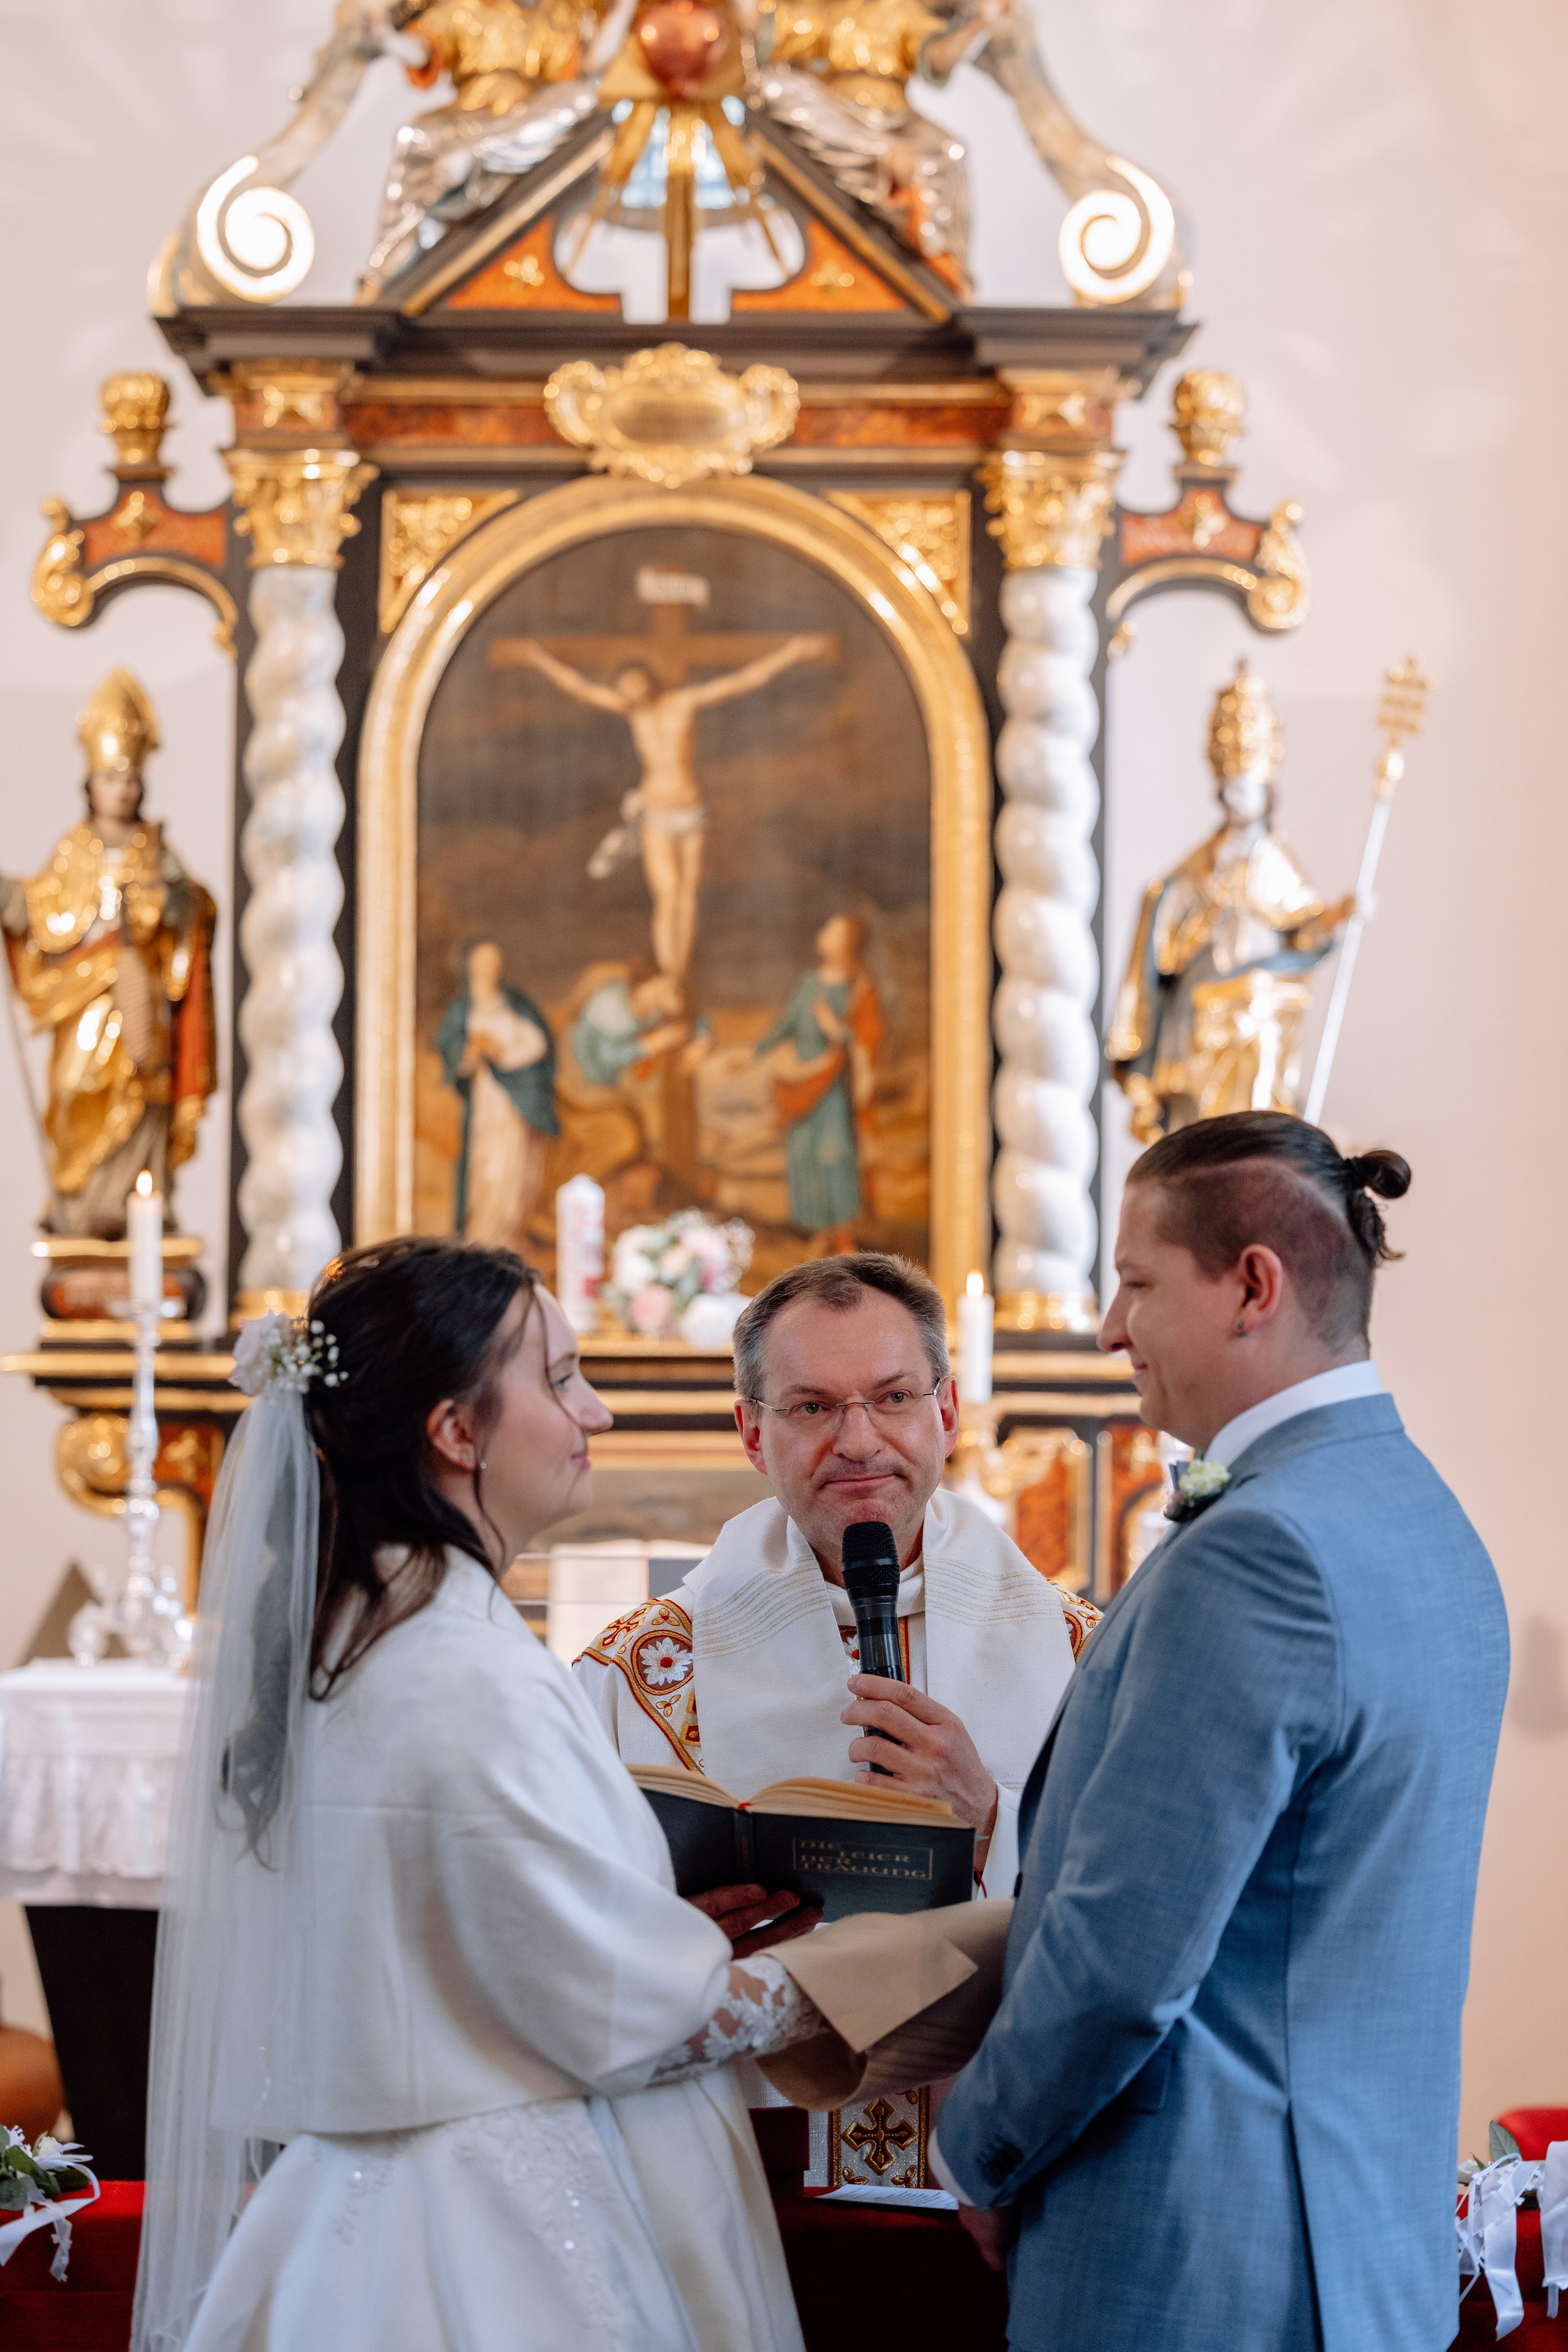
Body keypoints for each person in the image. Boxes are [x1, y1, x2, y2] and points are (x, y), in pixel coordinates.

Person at [132, 1237, 823, 2352]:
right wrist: (876, 1972)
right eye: (557, 1379)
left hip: (352, 2211)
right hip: (487, 2239)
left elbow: (458, 1936)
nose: (594, 1411)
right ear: (456, 1432)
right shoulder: (465, 1671)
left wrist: (631, 1929)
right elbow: (619, 2013)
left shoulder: (356, 1638)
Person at [932, 1112, 1509, 2351]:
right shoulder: (1421, 1516)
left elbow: (1120, 1963)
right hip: (1361, 2247)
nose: (1106, 1328)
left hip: (1202, 2266)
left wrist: (977, 2146)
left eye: (1136, 1284)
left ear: (1251, 1284)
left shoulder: (1255, 1552)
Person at [575, 1251, 1098, 2187]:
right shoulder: (641, 1676)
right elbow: (558, 1941)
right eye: (812, 1407)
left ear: (944, 1413)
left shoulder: (1085, 1656)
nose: (859, 1440)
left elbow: (1146, 1917)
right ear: (750, 1431)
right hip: (744, 2168)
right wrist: (676, 1936)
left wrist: (992, 1819)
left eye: (893, 1397)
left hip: (1003, 2169)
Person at [0, 669, 216, 1237]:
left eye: (129, 778)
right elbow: (43, 912)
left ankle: (135, 1206)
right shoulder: (74, 850)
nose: (120, 789)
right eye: (108, 778)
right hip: (84, 998)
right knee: (74, 1088)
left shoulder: (156, 850)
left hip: (137, 990)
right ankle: (77, 1203)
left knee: (143, 1094)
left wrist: (175, 895)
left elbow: (191, 914)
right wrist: (10, 898)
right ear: (89, 783)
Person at [1107, 662, 1360, 1143]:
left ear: (1265, 794)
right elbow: (1168, 915)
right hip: (1205, 1001)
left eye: (1245, 789)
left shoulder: (1271, 856)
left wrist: (1338, 916)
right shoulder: (1204, 861)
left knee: (1259, 1117)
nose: (1235, 799)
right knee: (1203, 1122)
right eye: (1229, 789)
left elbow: (1303, 924)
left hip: (1258, 1003)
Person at [507, 636, 831, 980]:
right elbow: (581, 688)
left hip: (690, 810)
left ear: (648, 679)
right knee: (668, 894)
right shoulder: (631, 712)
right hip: (656, 812)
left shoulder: (682, 702)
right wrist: (541, 660)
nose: (630, 691)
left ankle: (681, 973)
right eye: (624, 687)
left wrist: (790, 654)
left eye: (634, 682)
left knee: (688, 896)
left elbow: (741, 682)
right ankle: (667, 973)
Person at [756, 914, 884, 1251]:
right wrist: (759, 1050)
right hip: (802, 1079)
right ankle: (820, 1233)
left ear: (847, 944)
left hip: (832, 1087)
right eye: (825, 928)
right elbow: (788, 1022)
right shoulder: (810, 983)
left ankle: (843, 1236)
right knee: (804, 1153)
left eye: (833, 931)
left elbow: (865, 1039)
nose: (823, 934)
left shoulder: (858, 989)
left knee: (834, 1153)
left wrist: (837, 1029)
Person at [435, 938, 559, 1248]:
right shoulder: (463, 1009)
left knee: (513, 1167)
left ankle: (507, 1232)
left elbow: (538, 1044)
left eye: (494, 961)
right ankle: (483, 1235)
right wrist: (472, 1052)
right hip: (485, 1100)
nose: (490, 968)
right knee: (485, 1165)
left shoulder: (515, 1004)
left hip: (513, 1102)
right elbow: (451, 1052)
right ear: (470, 965)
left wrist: (501, 1053)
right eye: (483, 962)